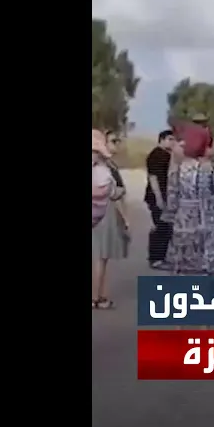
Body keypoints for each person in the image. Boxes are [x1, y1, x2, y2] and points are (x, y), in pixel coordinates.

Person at [163, 122, 214, 276]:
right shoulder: (212, 170)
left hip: (184, 223)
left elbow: (172, 196)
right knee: (208, 265)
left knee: (184, 267)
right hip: (208, 221)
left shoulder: (178, 169)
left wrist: (171, 215)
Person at [92, 130, 130, 309]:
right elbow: (113, 193)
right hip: (103, 214)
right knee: (101, 257)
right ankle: (96, 297)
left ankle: (99, 295)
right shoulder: (103, 170)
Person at [144, 129, 176, 269]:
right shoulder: (156, 155)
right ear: (161, 140)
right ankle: (156, 259)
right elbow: (153, 178)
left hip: (164, 196)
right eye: (170, 139)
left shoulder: (166, 155)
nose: (172, 142)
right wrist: (159, 199)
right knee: (161, 227)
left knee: (164, 226)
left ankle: (160, 256)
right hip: (157, 196)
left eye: (174, 139)